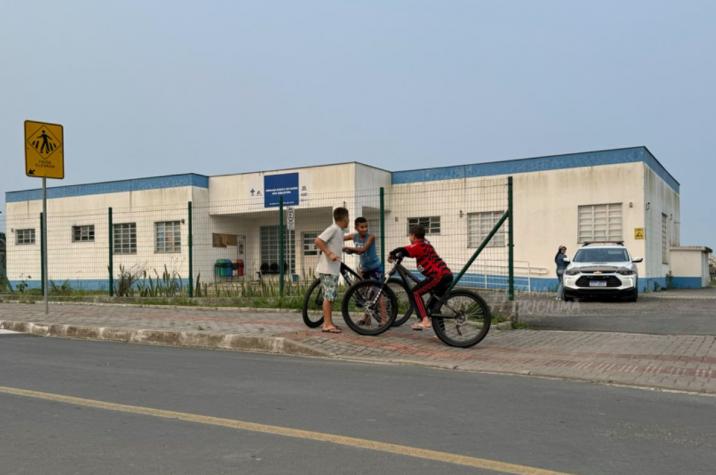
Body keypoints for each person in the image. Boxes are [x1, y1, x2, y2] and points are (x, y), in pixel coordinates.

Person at [389, 225, 452, 331]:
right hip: (446, 275)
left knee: (415, 293)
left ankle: (424, 320)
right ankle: (441, 331)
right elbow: (408, 252)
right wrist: (401, 256)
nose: (409, 238)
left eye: (409, 236)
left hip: (438, 276)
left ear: (413, 236)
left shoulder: (418, 245)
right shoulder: (426, 243)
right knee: (434, 304)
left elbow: (403, 250)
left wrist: (392, 254)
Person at [313, 207, 350, 333]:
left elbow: (339, 240)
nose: (349, 221)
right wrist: (329, 254)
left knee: (331, 297)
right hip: (328, 269)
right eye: (348, 218)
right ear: (344, 218)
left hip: (332, 269)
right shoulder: (333, 228)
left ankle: (329, 322)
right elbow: (318, 240)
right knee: (328, 297)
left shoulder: (339, 231)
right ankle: (327, 325)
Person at [342, 217, 383, 281]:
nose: (365, 229)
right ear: (356, 228)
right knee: (363, 289)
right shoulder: (354, 236)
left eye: (366, 226)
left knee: (376, 290)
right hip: (365, 269)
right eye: (362, 227)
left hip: (375, 268)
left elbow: (363, 249)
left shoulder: (371, 237)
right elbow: (340, 238)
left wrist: (347, 247)